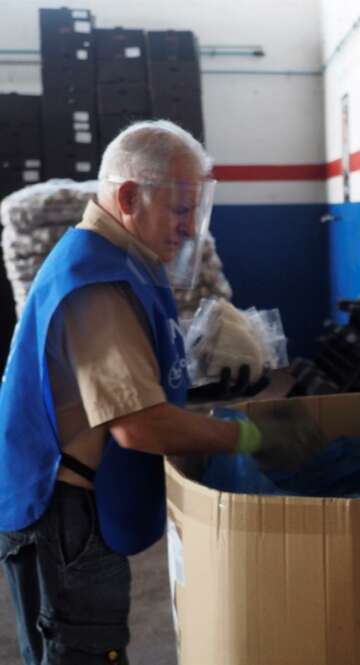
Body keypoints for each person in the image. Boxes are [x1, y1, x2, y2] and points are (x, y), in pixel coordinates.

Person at [0, 120, 317, 665]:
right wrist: (248, 436)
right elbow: (138, 425)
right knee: (82, 650)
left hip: (81, 502)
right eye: (178, 210)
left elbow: (132, 383)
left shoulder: (121, 262)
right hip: (62, 516)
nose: (190, 228)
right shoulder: (95, 283)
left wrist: (206, 380)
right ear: (128, 196)